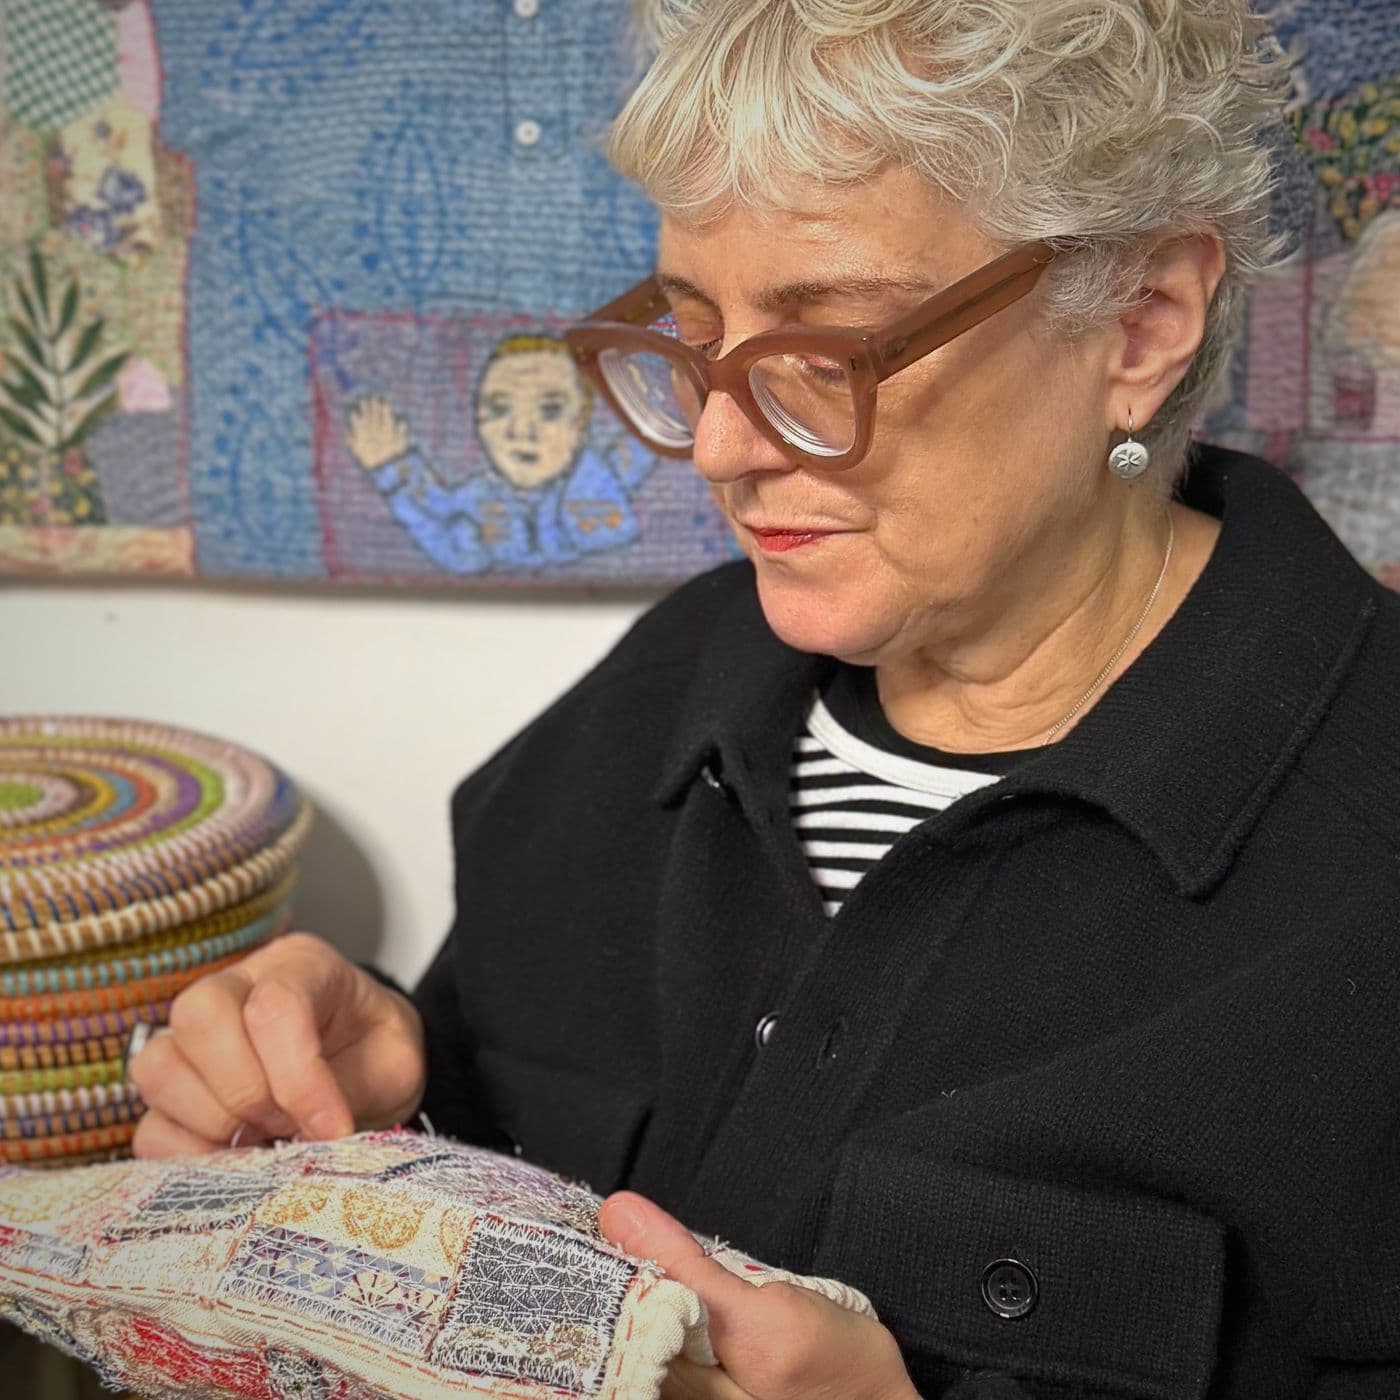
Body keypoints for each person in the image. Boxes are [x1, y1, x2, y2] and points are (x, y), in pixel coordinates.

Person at [126, 2, 1400, 1396]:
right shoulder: (668, 694)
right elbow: (489, 1142)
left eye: (828, 352)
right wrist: (388, 1077)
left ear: (1141, 319)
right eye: (690, 338)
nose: (723, 448)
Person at [345, 335, 656, 574]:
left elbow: (643, 448)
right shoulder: (478, 501)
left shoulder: (599, 480)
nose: (521, 432)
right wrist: (391, 470)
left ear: (582, 422)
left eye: (550, 409)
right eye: (498, 409)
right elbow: (440, 527)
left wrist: (645, 406)